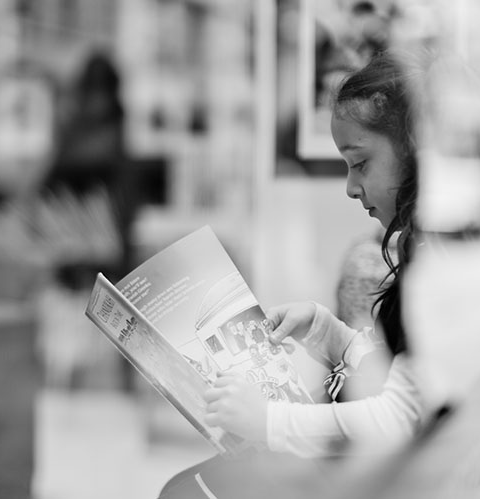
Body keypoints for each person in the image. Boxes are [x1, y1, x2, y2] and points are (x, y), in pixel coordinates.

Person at [159, 51, 423, 498]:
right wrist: (328, 332)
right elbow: (407, 379)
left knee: (186, 491)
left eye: (361, 163)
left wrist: (269, 422)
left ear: (414, 154)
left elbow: (398, 418)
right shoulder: (430, 248)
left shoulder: (437, 261)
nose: (350, 187)